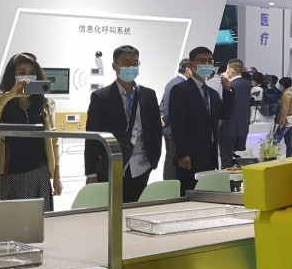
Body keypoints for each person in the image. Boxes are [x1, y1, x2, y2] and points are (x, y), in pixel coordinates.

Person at [0, 54, 61, 210]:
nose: (27, 76)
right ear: (12, 75)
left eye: (32, 72)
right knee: (6, 221)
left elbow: (54, 142)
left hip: (39, 173)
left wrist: (57, 176)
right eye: (22, 72)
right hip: (7, 174)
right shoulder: (1, 101)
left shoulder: (45, 105)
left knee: (37, 222)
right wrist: (10, 95)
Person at [85, 45, 163, 203]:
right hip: (111, 165)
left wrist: (153, 160)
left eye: (135, 63)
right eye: (126, 63)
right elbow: (92, 137)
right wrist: (91, 172)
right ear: (115, 66)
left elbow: (155, 130)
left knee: (135, 208)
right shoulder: (101, 97)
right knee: (111, 209)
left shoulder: (148, 95)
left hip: (141, 166)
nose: (131, 67)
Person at [168, 46, 235, 194]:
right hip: (190, 155)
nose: (207, 64)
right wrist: (183, 153)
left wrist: (228, 91)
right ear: (191, 65)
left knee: (207, 193)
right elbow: (178, 124)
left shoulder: (212, 93)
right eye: (202, 61)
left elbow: (226, 114)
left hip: (210, 154)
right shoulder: (180, 90)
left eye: (210, 61)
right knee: (189, 193)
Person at [160, 60, 193, 182]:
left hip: (168, 128)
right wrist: (165, 119)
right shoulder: (181, 85)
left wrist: (162, 118)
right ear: (188, 69)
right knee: (173, 159)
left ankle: (168, 183)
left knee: (169, 158)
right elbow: (175, 109)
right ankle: (171, 184)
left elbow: (163, 104)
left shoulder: (172, 82)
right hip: (174, 128)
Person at [219, 59, 254, 168]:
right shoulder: (248, 84)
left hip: (228, 126)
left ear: (231, 70)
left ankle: (227, 178)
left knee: (226, 159)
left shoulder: (229, 86)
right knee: (239, 158)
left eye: (227, 69)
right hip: (243, 125)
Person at [274, 76, 292, 157]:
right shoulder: (291, 93)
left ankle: (272, 157)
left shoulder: (286, 95)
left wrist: (281, 123)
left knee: (276, 139)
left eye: (280, 85)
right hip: (291, 120)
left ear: (283, 85)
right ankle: (289, 157)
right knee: (288, 141)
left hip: (286, 120)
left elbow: (284, 109)